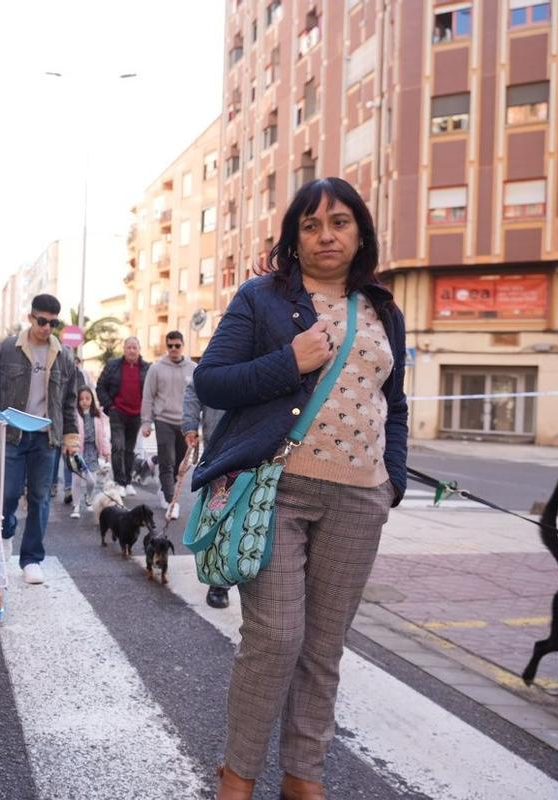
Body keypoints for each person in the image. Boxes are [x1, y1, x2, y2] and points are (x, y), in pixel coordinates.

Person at [192, 177, 406, 800]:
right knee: (277, 637)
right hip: (275, 492)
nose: (325, 236)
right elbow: (213, 382)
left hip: (359, 499)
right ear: (294, 238)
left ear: (360, 231)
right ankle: (238, 773)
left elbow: (394, 403)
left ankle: (303, 776)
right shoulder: (261, 298)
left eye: (339, 222)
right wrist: (291, 360)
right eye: (310, 226)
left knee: (324, 647)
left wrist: (389, 479)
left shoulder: (383, 309)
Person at [0, 293, 78, 585]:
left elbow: (69, 402)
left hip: (46, 438)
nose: (47, 327)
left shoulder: (64, 356)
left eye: (53, 323)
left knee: (40, 499)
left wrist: (71, 436)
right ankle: (6, 532)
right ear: (31, 317)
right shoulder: (8, 349)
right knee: (8, 495)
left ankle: (32, 559)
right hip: (12, 434)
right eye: (42, 321)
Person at [182, 364, 229, 610]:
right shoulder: (225, 348)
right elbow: (194, 388)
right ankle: (218, 580)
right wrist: (190, 425)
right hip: (218, 450)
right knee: (217, 514)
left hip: (260, 447)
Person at [140, 330, 196, 506]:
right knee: (167, 461)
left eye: (177, 345)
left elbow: (198, 397)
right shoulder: (156, 368)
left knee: (179, 463)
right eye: (170, 346)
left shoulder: (193, 368)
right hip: (163, 420)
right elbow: (148, 396)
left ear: (182, 345)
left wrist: (197, 423)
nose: (173, 349)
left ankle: (165, 489)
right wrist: (146, 422)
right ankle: (171, 501)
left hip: (184, 423)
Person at [96, 336, 149, 496]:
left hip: (137, 414)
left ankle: (127, 482)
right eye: (129, 347)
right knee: (118, 446)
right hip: (117, 411)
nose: (131, 350)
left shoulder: (147, 368)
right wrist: (110, 405)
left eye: (134, 347)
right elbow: (100, 387)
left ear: (139, 350)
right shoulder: (113, 365)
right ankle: (119, 482)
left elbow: (152, 390)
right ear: (124, 349)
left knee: (129, 450)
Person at [69, 386, 110, 519]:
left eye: (87, 398)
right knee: (76, 480)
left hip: (92, 451)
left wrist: (106, 451)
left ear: (92, 399)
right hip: (77, 451)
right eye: (81, 399)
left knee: (91, 481)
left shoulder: (98, 416)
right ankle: (76, 506)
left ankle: (88, 496)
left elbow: (103, 436)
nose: (84, 401)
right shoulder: (75, 415)